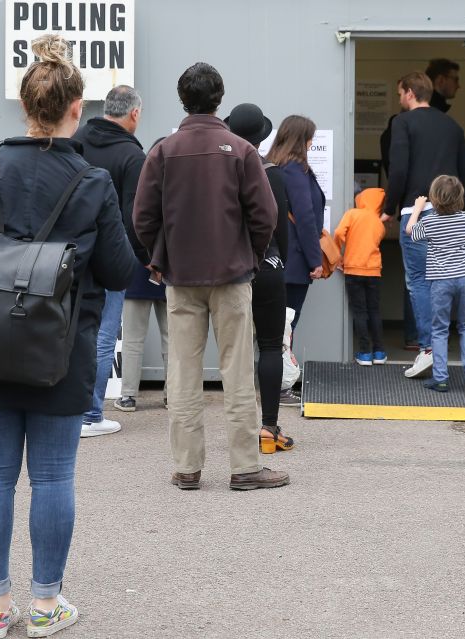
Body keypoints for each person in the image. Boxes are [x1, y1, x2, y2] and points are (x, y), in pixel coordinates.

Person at [0, 35, 136, 638]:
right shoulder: (91, 179)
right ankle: (46, 607)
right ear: (77, 109)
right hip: (58, 347)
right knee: (53, 478)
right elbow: (121, 271)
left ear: (25, 104)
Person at [133, 62, 289, 491]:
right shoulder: (240, 150)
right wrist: (251, 256)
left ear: (183, 98)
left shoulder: (162, 151)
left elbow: (143, 217)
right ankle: (244, 467)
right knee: (237, 371)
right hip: (233, 276)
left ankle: (187, 468)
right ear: (219, 98)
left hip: (181, 277)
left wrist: (159, 256)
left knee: (183, 373)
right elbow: (266, 215)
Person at [383, 71, 465, 380]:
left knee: (419, 281)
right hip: (451, 212)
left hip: (418, 211)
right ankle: (442, 351)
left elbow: (398, 170)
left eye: (399, 93)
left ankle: (428, 350)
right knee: (445, 280)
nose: (399, 99)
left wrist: (388, 208)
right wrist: (461, 212)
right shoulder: (453, 126)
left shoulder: (402, 123)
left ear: (409, 92)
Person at [72, 85, 146, 436]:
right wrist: (142, 257)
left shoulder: (77, 138)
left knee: (68, 328)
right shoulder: (132, 156)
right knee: (103, 335)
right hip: (109, 256)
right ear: (134, 114)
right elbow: (135, 214)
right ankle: (90, 414)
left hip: (68, 254)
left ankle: (66, 410)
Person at [225, 102, 295, 453]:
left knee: (234, 351)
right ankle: (269, 427)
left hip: (230, 270)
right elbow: (280, 231)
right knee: (270, 346)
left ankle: (240, 429)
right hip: (267, 266)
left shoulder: (221, 170)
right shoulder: (273, 174)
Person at [405, 175, 465, 392]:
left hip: (440, 281)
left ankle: (440, 378)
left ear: (434, 198)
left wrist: (417, 209)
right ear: (460, 197)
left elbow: (410, 232)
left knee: (440, 329)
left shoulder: (430, 221)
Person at [114, 137, 169, 413]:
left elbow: (132, 224)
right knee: (172, 337)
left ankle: (128, 395)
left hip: (139, 264)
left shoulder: (140, 188)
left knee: (135, 336)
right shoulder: (176, 188)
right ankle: (171, 393)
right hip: (166, 266)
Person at [266, 116, 324, 335]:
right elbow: (305, 217)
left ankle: (272, 368)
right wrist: (315, 260)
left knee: (275, 326)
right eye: (310, 138)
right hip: (294, 260)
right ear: (302, 139)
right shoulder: (295, 169)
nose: (311, 143)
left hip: (274, 258)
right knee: (286, 327)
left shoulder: (273, 165)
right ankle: (284, 369)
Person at [334, 187, 388, 365]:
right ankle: (379, 353)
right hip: (373, 271)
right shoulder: (378, 223)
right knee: (374, 311)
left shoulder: (352, 214)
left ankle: (364, 354)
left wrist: (338, 255)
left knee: (360, 312)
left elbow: (338, 233)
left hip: (353, 270)